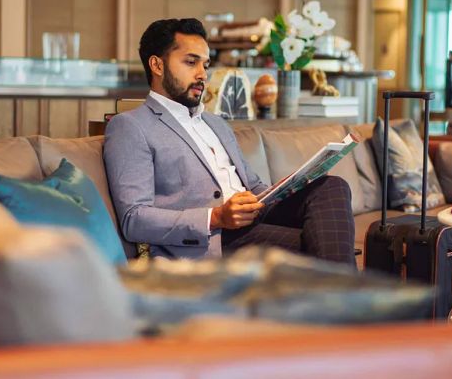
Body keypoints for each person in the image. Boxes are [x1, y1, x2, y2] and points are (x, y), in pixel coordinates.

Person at [103, 18, 355, 265]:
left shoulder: (216, 123)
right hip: (214, 238)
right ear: (157, 66)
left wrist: (284, 188)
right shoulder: (130, 126)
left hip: (253, 216)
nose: (203, 74)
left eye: (206, 64)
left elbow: (254, 185)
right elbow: (134, 219)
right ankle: (357, 300)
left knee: (331, 186)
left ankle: (347, 301)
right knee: (321, 245)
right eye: (191, 62)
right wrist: (216, 217)